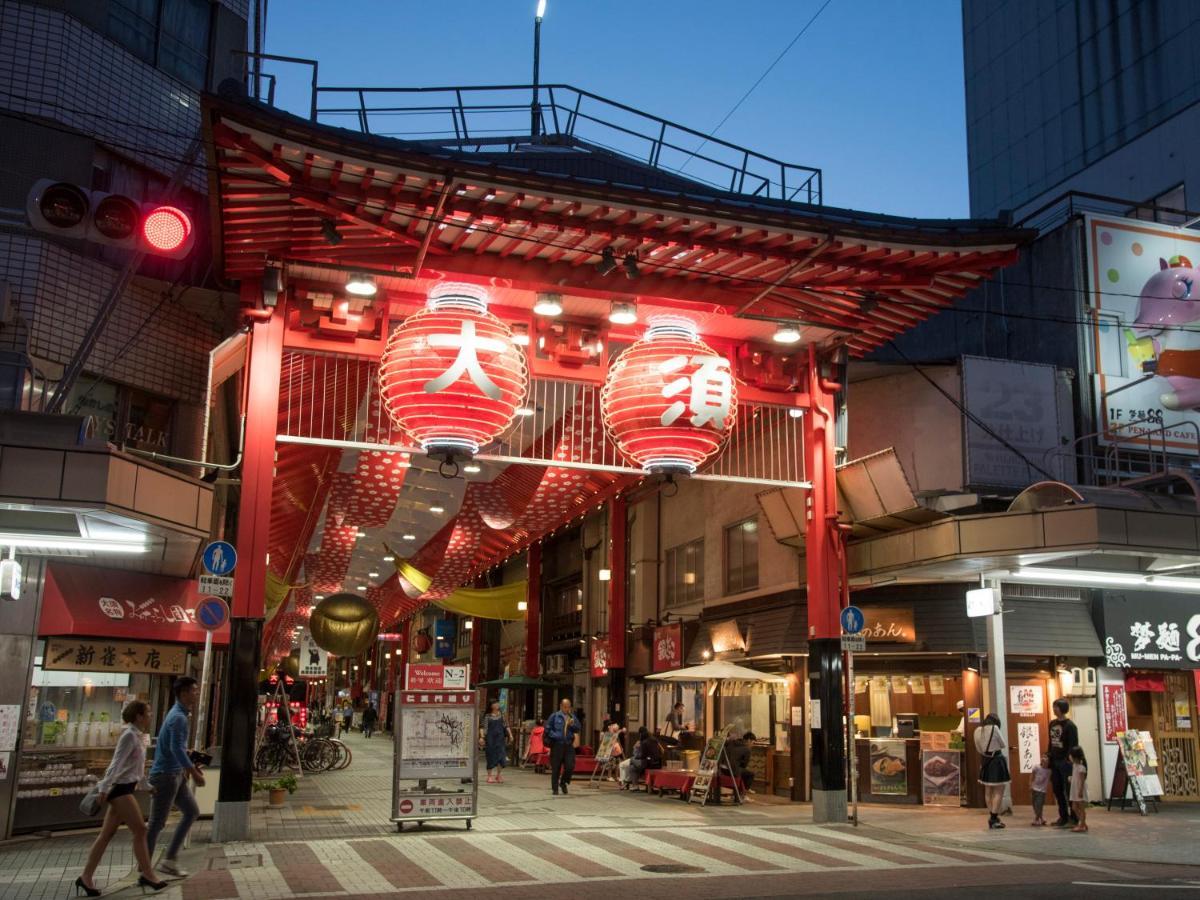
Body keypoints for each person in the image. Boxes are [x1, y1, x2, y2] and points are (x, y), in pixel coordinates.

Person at [74, 701, 167, 896]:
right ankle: (148, 874)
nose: (150, 716)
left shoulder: (138, 736)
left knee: (106, 835)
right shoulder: (129, 736)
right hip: (119, 790)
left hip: (124, 788)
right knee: (140, 829)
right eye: (148, 713)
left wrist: (146, 786)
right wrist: (105, 789)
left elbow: (135, 768)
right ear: (139, 716)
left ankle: (86, 877)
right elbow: (116, 765)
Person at [146, 676, 204, 877]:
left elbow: (177, 748)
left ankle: (169, 860)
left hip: (175, 774)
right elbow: (175, 749)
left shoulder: (178, 714)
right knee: (156, 823)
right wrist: (194, 772)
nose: (196, 694)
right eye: (194, 691)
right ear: (184, 693)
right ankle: (145, 868)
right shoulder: (178, 717)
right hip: (166, 775)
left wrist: (188, 762)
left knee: (191, 811)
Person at [974, 713, 1010, 829]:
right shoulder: (994, 728)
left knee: (988, 791)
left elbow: (978, 748)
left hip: (985, 761)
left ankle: (992, 816)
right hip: (997, 761)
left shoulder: (978, 730)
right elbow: (1003, 744)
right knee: (999, 790)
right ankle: (994, 818)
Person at [1046, 698, 1079, 827]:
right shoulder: (1052, 724)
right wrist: (1048, 756)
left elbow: (1073, 745)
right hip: (1054, 761)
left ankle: (1074, 817)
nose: (1054, 709)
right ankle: (1063, 816)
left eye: (1057, 707)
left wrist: (1068, 760)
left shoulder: (1070, 726)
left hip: (1066, 763)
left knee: (1069, 790)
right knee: (1057, 790)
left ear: (1063, 708)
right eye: (1053, 706)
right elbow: (1051, 742)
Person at [543, 698, 580, 796]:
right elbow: (547, 729)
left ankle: (563, 782)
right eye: (565, 707)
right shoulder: (554, 716)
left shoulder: (572, 717)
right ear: (560, 706)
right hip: (557, 745)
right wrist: (555, 735)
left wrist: (573, 725)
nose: (566, 709)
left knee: (570, 766)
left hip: (568, 745)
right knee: (556, 768)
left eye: (568, 707)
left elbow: (578, 729)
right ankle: (555, 789)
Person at [480, 699, 513, 783]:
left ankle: (498, 775)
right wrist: (482, 737)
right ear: (491, 705)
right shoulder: (487, 716)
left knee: (501, 757)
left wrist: (510, 735)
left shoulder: (502, 715)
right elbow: (483, 727)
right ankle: (489, 776)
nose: (497, 705)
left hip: (500, 739)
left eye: (497, 703)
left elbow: (506, 726)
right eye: (495, 703)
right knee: (490, 756)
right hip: (490, 739)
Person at [721, 731, 756, 799]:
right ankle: (743, 793)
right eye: (753, 743)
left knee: (741, 771)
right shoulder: (747, 749)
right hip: (731, 770)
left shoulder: (732, 742)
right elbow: (744, 764)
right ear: (748, 740)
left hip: (722, 769)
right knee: (750, 774)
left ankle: (738, 793)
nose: (752, 745)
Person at [1068, 746, 1089, 833]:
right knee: (1074, 807)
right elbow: (1076, 778)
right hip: (1075, 790)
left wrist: (1080, 791)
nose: (1069, 757)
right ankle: (1083, 823)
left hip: (1079, 790)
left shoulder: (1081, 768)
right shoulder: (1075, 766)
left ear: (1075, 757)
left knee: (1081, 808)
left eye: (1071, 755)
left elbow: (1082, 780)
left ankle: (1082, 825)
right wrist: (1071, 779)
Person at [1030, 752, 1052, 826]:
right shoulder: (1036, 767)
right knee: (1034, 803)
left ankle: (1036, 819)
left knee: (1039, 804)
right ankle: (1041, 818)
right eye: (1042, 757)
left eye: (1046, 757)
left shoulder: (1049, 770)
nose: (1043, 758)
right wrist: (1030, 784)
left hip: (1042, 790)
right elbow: (1032, 775)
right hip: (1034, 788)